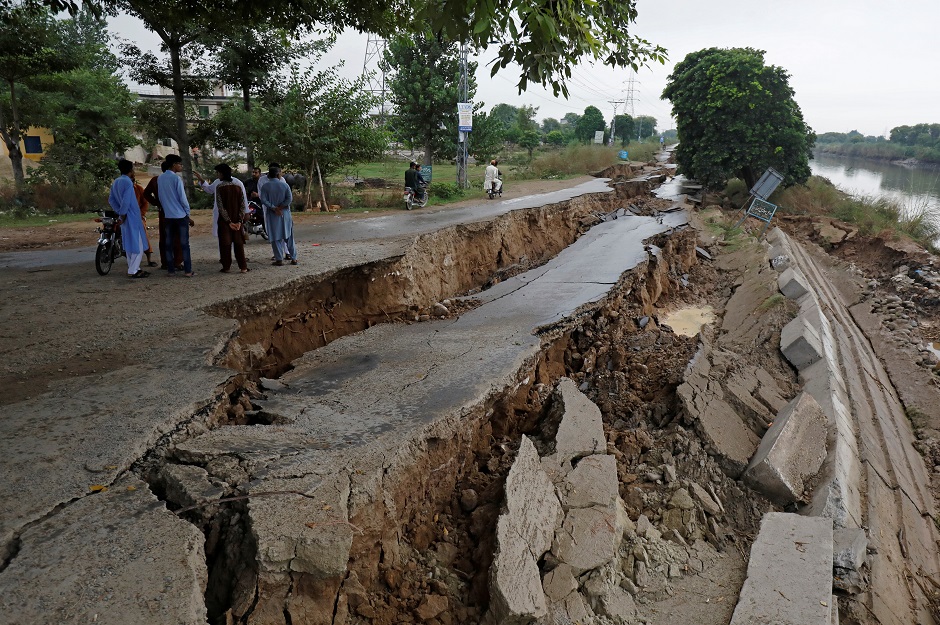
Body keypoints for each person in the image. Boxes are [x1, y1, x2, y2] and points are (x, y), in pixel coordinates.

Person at [196, 163, 249, 273]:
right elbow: (243, 204)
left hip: (225, 220)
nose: (217, 175)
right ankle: (243, 267)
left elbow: (221, 206)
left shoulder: (221, 186)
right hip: (237, 218)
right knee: (238, 243)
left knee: (225, 243)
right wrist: (239, 220)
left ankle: (226, 267)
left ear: (222, 173)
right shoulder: (237, 185)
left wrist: (229, 222)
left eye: (218, 173)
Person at [108, 159, 149, 279]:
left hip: (124, 216)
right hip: (131, 216)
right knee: (138, 244)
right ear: (130, 170)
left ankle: (134, 267)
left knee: (129, 243)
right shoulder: (128, 183)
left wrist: (119, 212)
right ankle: (133, 270)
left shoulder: (116, 182)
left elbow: (111, 199)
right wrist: (123, 213)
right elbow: (126, 201)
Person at [157, 153, 195, 277]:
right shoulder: (176, 178)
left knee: (168, 244)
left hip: (168, 216)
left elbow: (161, 197)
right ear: (174, 165)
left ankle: (171, 270)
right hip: (180, 215)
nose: (181, 166)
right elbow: (183, 198)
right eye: (180, 164)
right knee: (184, 244)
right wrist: (187, 213)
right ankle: (188, 271)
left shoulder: (160, 178)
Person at [144, 159, 183, 271]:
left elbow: (146, 193)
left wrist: (157, 203)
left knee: (165, 237)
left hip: (163, 211)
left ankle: (166, 262)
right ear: (172, 166)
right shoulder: (174, 179)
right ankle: (177, 262)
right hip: (176, 211)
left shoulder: (156, 180)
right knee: (177, 237)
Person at [259, 165, 296, 266]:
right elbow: (289, 199)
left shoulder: (265, 186)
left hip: (273, 214)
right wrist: (281, 206)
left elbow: (263, 200)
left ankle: (279, 259)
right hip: (285, 213)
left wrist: (274, 207)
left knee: (275, 237)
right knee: (289, 236)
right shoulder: (285, 185)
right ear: (278, 174)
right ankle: (294, 258)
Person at [130, 170, 157, 267]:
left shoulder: (139, 189)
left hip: (138, 216)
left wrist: (141, 214)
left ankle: (149, 258)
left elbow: (145, 203)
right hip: (125, 216)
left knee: (143, 234)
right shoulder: (122, 189)